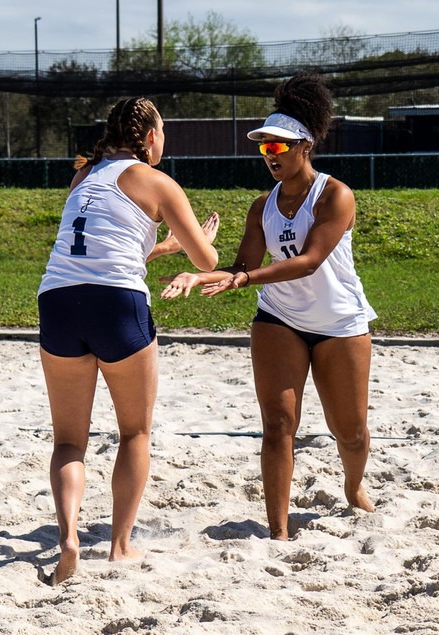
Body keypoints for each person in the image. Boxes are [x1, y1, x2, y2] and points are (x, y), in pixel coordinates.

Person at [160, 72, 377, 541]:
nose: (269, 156)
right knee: (278, 425)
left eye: (277, 147)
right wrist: (198, 274)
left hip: (340, 321)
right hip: (279, 318)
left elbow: (309, 261)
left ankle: (354, 486)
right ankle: (278, 530)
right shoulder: (263, 205)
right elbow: (242, 265)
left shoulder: (335, 195)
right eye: (263, 148)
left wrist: (244, 277)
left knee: (351, 431)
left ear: (304, 145)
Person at [37, 96, 219, 585]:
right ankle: (120, 546)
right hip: (116, 305)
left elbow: (105, 250)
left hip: (57, 300)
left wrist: (161, 247)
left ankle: (69, 537)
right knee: (134, 432)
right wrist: (195, 243)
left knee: (69, 441)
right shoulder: (157, 182)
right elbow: (206, 262)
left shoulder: (83, 176)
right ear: (152, 136)